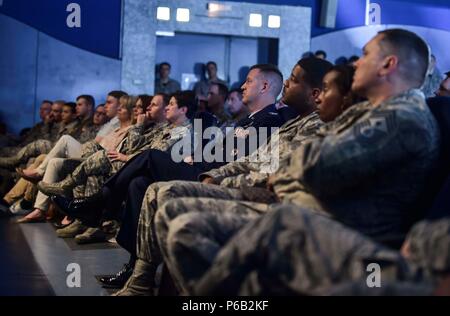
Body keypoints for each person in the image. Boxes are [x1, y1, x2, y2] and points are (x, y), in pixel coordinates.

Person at [154, 29, 439, 294]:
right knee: (174, 212)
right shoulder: (374, 111)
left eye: (365, 55)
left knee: (187, 228)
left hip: (339, 231)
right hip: (302, 210)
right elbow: (304, 160)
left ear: (387, 65)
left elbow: (316, 166)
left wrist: (289, 169)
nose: (357, 64)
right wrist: (293, 167)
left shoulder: (400, 118)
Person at [107, 58, 332, 295]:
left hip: (267, 198)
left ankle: (107, 206)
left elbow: (271, 173)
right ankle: (140, 280)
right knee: (147, 186)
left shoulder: (301, 125)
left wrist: (220, 180)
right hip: (229, 178)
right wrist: (214, 174)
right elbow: (250, 160)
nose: (287, 83)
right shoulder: (292, 123)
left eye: (294, 79)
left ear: (315, 93)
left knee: (159, 178)